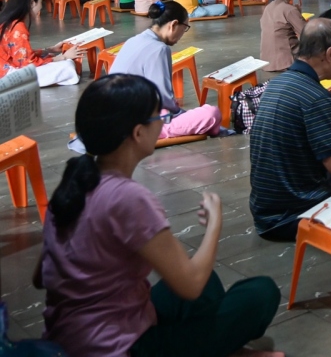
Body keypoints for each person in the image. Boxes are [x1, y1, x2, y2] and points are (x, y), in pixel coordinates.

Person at [37, 74, 281, 357]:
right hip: (118, 348)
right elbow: (189, 285)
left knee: (208, 283)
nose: (163, 122)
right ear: (138, 133)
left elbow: (39, 277)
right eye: (157, 118)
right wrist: (214, 225)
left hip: (69, 337)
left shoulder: (73, 183)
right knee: (260, 294)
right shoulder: (128, 198)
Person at [250, 19, 331, 241]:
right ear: (330, 53)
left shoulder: (277, 83)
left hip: (265, 211)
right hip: (292, 216)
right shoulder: (315, 97)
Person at [108, 0, 223, 140]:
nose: (183, 33)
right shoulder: (159, 49)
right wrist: (180, 113)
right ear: (174, 24)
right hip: (134, 125)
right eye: (185, 27)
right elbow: (162, 97)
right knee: (211, 114)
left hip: (113, 115)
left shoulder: (133, 40)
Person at [0, 0, 80, 87]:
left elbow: (20, 53)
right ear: (32, 3)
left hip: (5, 68)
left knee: (50, 56)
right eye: (41, 2)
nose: (41, 7)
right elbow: (26, 63)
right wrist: (63, 57)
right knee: (68, 66)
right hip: (9, 75)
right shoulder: (18, 27)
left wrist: (49, 50)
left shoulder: (6, 21)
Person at [260, 0, 307, 72]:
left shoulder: (269, 7)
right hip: (286, 61)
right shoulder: (289, 10)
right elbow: (306, 32)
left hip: (267, 61)